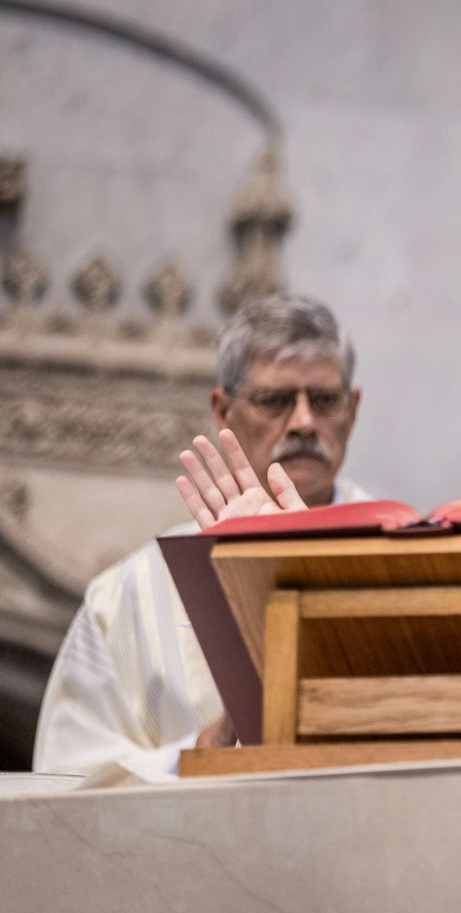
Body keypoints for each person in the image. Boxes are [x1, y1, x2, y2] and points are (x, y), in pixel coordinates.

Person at [33, 294, 370, 777]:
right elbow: (63, 785)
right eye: (274, 400)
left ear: (353, 409)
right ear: (222, 409)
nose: (302, 422)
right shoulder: (128, 595)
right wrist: (203, 750)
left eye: (325, 400)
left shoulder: (411, 556)